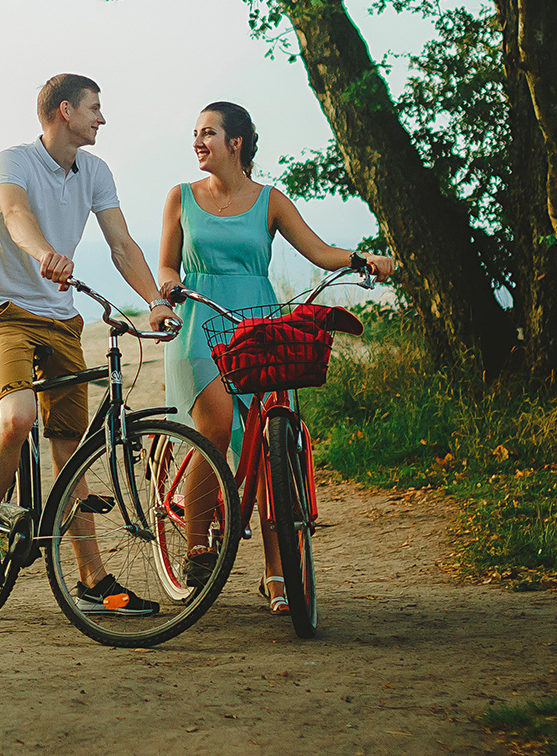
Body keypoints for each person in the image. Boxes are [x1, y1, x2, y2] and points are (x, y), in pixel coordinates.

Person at [147, 101, 395, 614]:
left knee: (269, 451)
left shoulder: (269, 201)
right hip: (199, 324)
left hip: (256, 328)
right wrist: (169, 288)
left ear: (235, 143)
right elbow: (167, 264)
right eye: (195, 133)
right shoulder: (181, 198)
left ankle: (277, 575)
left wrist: (360, 259)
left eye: (208, 133)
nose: (198, 141)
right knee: (214, 429)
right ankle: (197, 542)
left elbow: (320, 252)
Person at [0, 72, 170, 616]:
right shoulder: (13, 161)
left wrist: (154, 300)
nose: (102, 118)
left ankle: (92, 579)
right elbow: (14, 214)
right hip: (6, 311)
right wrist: (44, 254)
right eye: (94, 107)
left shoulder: (95, 171)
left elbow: (121, 244)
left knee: (72, 447)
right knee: (18, 416)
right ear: (63, 111)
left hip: (61, 319)